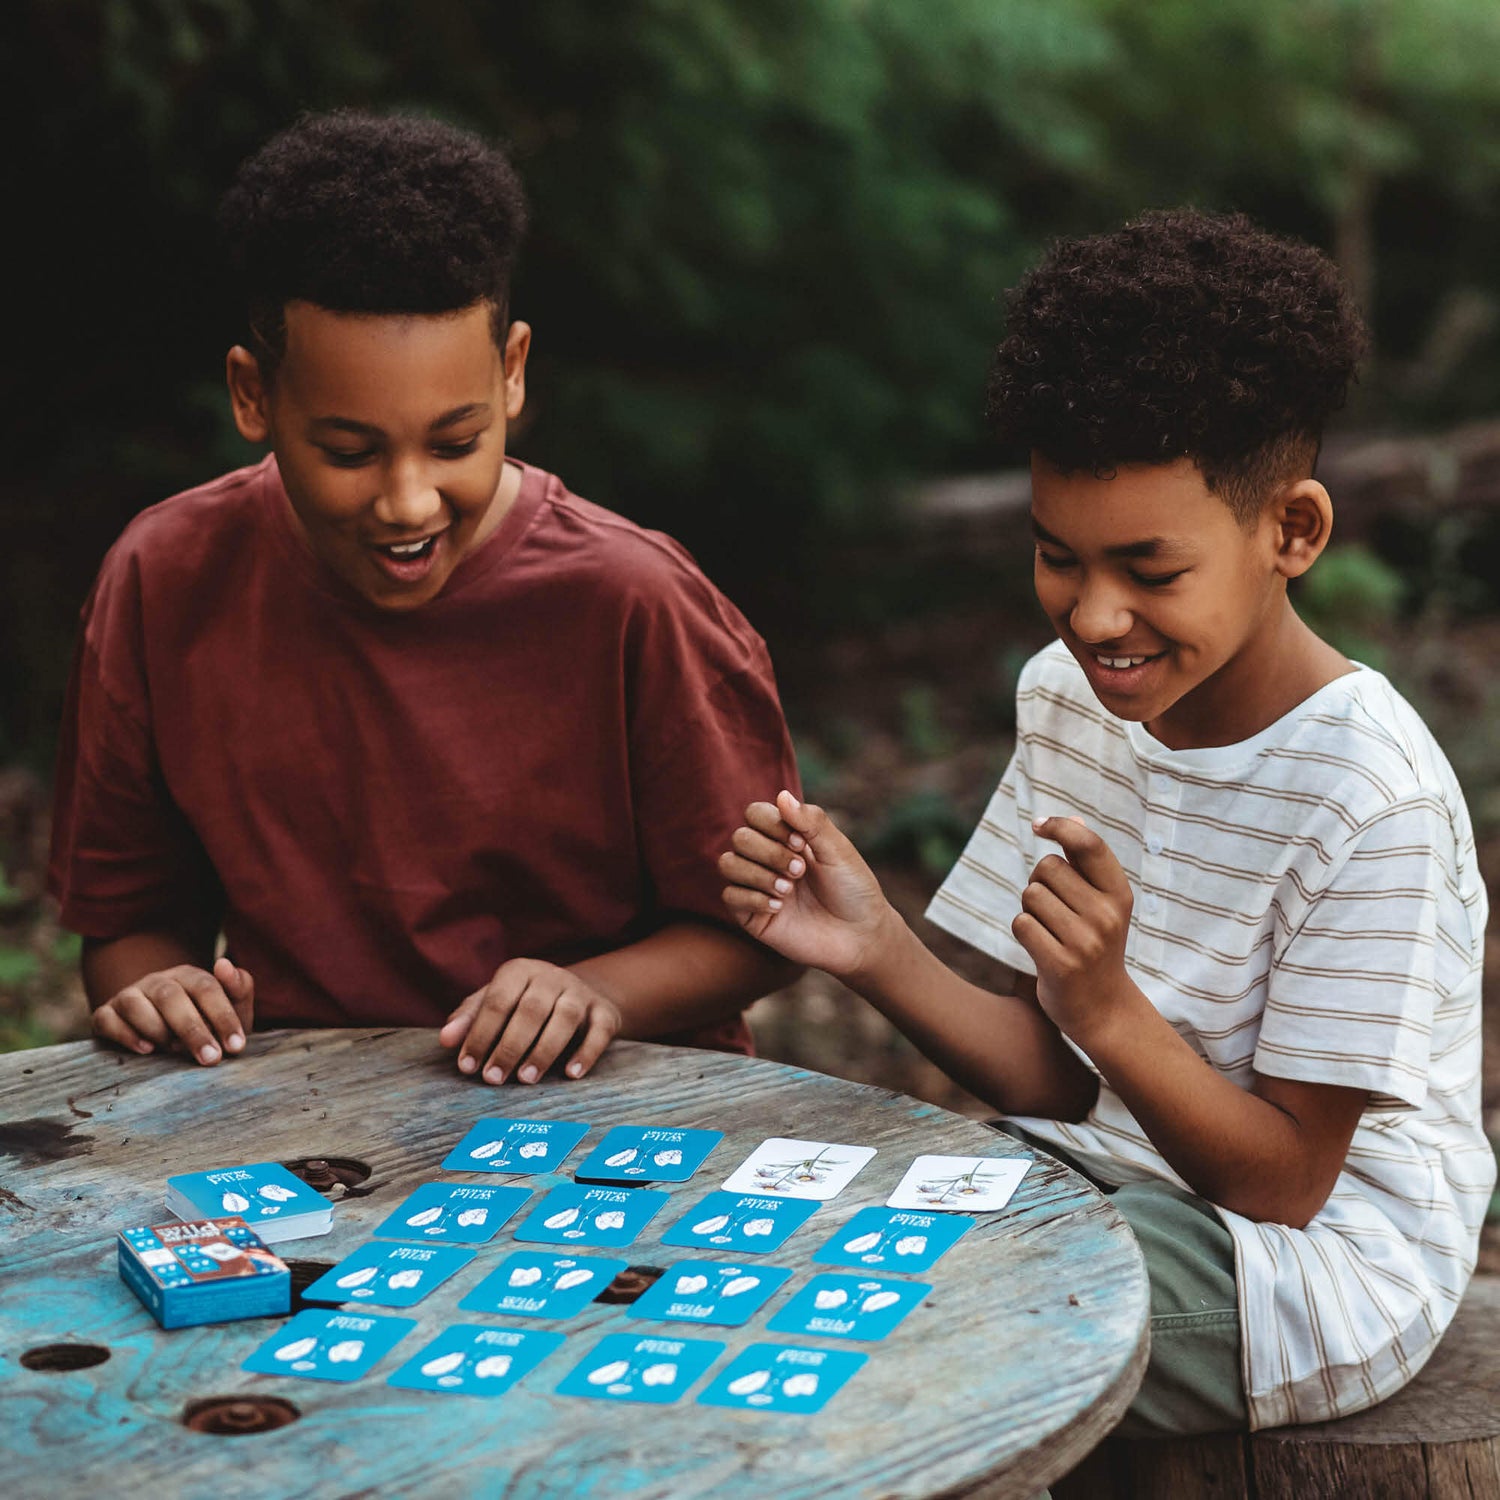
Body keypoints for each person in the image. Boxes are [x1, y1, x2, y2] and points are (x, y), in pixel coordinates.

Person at [719, 209, 1491, 1435]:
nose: (1094, 617)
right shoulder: (1068, 699)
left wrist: (1109, 1012)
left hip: (1303, 1276)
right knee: (773, 1250)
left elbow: (1287, 1185)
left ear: (1290, 532)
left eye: (1150, 569)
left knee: (885, 1334)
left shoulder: (1369, 793)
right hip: (1109, 1177)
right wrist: (875, 946)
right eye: (1057, 559)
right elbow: (1058, 1076)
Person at [48, 109, 799, 1087]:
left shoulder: (634, 601)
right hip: (301, 1122)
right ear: (252, 397)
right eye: (349, 452)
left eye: (454, 444)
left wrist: (599, 990)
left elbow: (775, 931)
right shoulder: (163, 578)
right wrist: (159, 990)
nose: (407, 501)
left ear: (513, 373)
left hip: (610, 1124)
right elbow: (128, 925)